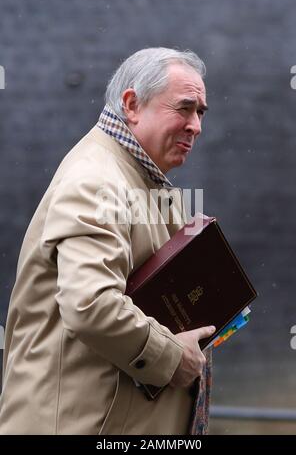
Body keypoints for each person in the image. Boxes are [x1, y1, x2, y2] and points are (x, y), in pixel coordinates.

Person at [0, 47, 215, 435]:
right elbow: (90, 304)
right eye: (184, 108)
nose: (196, 125)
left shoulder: (136, 177)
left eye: (200, 112)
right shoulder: (97, 180)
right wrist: (171, 357)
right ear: (132, 104)